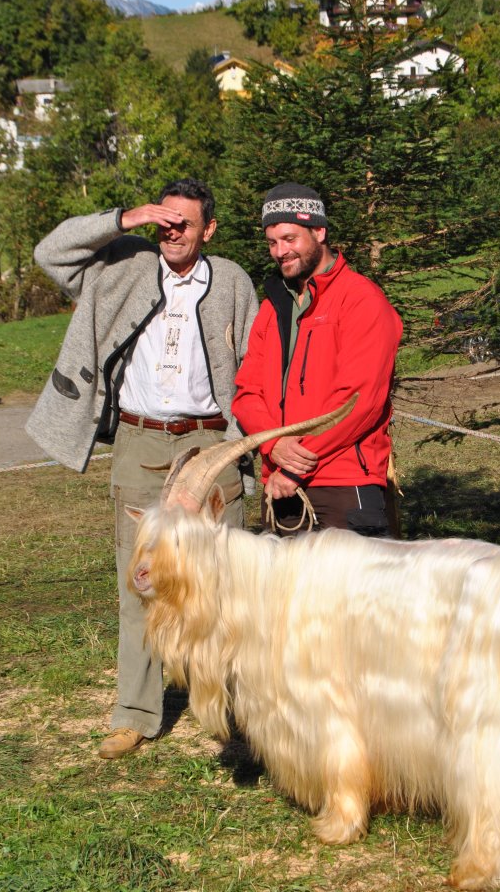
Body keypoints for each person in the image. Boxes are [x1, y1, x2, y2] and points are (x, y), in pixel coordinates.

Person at [26, 178, 258, 758]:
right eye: (164, 220)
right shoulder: (122, 265)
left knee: (224, 580)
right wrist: (122, 219)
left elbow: (255, 364)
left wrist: (239, 442)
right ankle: (134, 712)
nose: (172, 230)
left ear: (209, 230)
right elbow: (49, 253)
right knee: (141, 582)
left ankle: (233, 715)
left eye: (185, 222)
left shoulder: (231, 280)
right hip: (138, 440)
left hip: (210, 444)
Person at [232, 182, 402, 537]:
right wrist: (273, 445)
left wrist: (298, 462)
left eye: (290, 238)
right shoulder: (272, 307)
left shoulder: (361, 300)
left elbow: (360, 401)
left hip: (343, 484)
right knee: (285, 595)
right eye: (272, 242)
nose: (280, 251)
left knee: (352, 594)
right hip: (280, 486)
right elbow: (247, 392)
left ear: (320, 231)